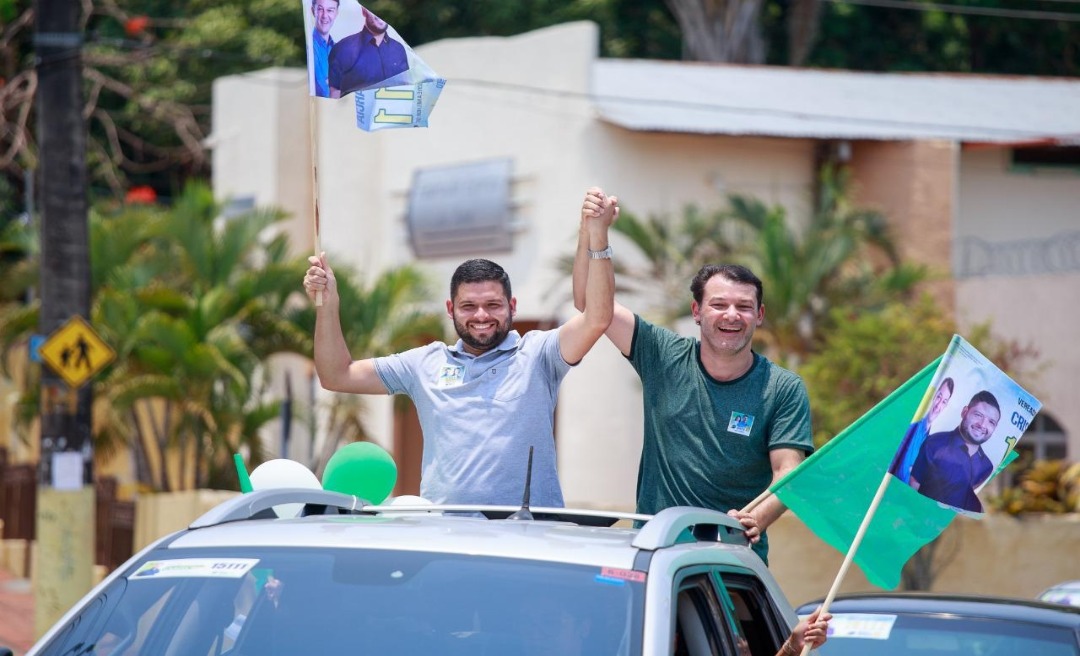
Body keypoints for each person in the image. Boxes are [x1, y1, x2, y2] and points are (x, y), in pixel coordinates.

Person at [302, 190, 615, 506]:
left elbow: (597, 318)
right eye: (469, 306)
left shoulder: (538, 354)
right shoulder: (423, 363)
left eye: (493, 304)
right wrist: (328, 304)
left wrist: (595, 235)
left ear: (512, 306)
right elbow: (337, 376)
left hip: (528, 534)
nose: (481, 316)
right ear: (451, 309)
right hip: (447, 537)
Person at [572, 189, 813, 564]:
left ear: (760, 315)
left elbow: (788, 471)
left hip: (733, 559)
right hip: (658, 553)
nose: (731, 314)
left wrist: (757, 517)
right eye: (719, 304)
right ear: (697, 311)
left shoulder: (782, 388)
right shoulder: (662, 355)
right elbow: (592, 305)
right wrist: (594, 233)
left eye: (744, 307)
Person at [910, 389, 1000, 513]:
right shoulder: (934, 443)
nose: (983, 425)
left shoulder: (987, 466)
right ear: (964, 412)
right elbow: (912, 486)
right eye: (978, 415)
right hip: (916, 520)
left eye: (991, 422)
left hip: (952, 529)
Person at [328, 5, 409, 98]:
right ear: (364, 11)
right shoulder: (342, 49)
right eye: (374, 10)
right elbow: (334, 94)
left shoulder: (399, 49)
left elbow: (407, 88)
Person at [889, 376, 954, 484]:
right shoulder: (911, 429)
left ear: (945, 406)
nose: (938, 405)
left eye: (944, 402)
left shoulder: (932, 444)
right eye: (939, 397)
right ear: (934, 396)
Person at [309, 0, 339, 97]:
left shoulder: (338, 50)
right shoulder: (309, 47)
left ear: (336, 13)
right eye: (320, 9)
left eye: (330, 10)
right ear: (313, 11)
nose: (325, 15)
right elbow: (325, 92)